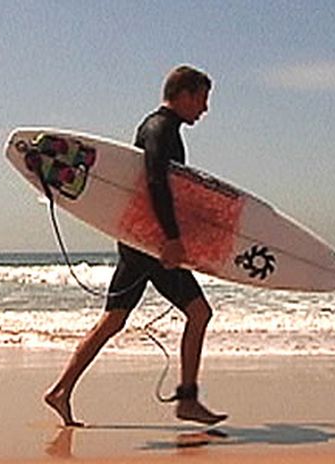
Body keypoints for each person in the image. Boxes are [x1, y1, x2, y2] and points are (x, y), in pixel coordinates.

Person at [43, 65, 226, 427]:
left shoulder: (161, 128)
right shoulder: (160, 129)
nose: (204, 109)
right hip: (150, 243)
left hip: (140, 241)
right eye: (202, 99)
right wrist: (172, 239)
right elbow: (156, 183)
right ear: (185, 94)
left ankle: (61, 391)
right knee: (199, 312)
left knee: (114, 319)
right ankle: (187, 399)